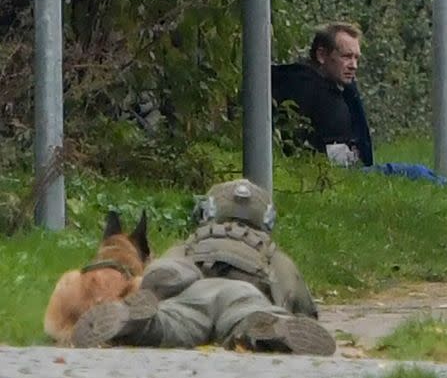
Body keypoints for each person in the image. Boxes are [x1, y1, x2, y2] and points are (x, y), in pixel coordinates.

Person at [71, 179, 336, 356]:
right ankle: (268, 327)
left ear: (207, 213)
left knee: (171, 323)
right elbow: (297, 299)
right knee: (249, 316)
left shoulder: (191, 244)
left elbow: (168, 271)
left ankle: (137, 322)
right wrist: (294, 314)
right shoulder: (272, 254)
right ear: (266, 219)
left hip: (193, 289)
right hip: (243, 293)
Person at [272, 22, 373, 167]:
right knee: (416, 172)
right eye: (346, 57)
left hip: (346, 170)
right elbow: (293, 146)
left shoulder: (341, 89)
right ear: (321, 55)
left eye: (356, 58)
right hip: (328, 172)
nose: (354, 65)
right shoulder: (302, 86)